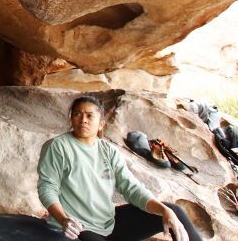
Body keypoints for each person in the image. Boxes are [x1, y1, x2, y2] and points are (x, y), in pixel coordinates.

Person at [37, 95, 202, 241]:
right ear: (71, 118)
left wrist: (163, 210)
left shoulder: (108, 151)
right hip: (76, 227)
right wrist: (63, 219)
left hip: (109, 222)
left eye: (89, 115)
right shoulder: (58, 146)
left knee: (173, 212)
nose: (83, 120)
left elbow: (131, 188)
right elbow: (48, 188)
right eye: (77, 114)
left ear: (101, 124)